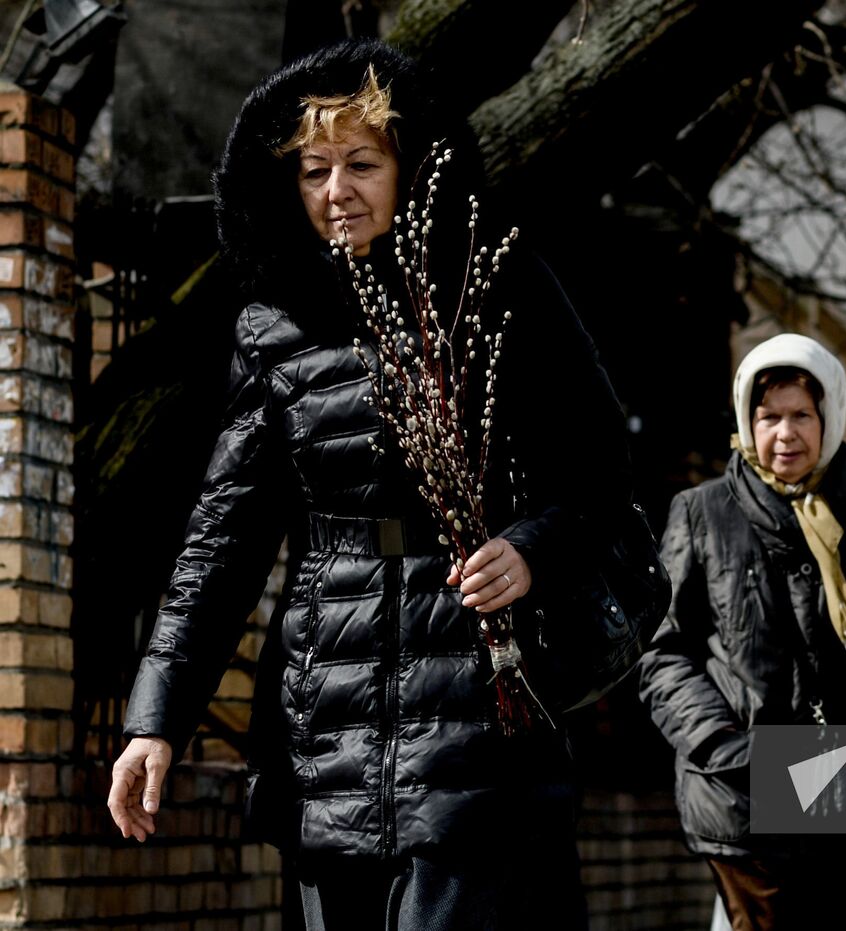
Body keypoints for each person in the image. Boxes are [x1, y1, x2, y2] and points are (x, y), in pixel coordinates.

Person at [105, 40, 637, 929]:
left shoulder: (500, 288)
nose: (336, 191)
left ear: (410, 168)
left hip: (475, 708)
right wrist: (154, 719)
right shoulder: (272, 326)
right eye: (315, 170)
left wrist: (531, 550)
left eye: (361, 164)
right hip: (328, 724)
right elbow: (221, 541)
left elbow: (600, 474)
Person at [637, 333, 846, 931]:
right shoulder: (703, 511)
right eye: (769, 416)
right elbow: (661, 652)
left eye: (802, 415)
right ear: (748, 421)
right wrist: (725, 748)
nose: (786, 434)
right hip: (747, 796)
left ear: (829, 416)